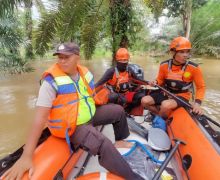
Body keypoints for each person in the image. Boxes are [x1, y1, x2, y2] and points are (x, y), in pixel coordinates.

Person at [1, 42, 144, 180]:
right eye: (60, 57)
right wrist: (26, 156)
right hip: (73, 127)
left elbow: (91, 96)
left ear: (77, 57)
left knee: (118, 111)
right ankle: (133, 177)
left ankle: (119, 141)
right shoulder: (51, 82)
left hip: (90, 115)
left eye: (66, 57)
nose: (62, 61)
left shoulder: (85, 74)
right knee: (103, 143)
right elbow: (39, 119)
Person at [141, 36, 205, 118]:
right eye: (181, 52)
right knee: (144, 101)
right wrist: (155, 82)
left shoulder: (194, 68)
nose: (185, 55)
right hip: (166, 93)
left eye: (187, 52)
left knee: (165, 105)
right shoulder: (164, 65)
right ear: (172, 52)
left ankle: (159, 120)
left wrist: (197, 104)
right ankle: (160, 116)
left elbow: (201, 87)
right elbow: (160, 79)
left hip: (182, 96)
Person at [95, 48, 146, 112]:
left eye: (125, 61)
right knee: (113, 96)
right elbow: (99, 83)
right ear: (117, 61)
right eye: (121, 61)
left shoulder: (129, 70)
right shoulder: (111, 71)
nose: (123, 63)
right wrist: (88, 92)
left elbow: (138, 80)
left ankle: (127, 109)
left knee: (141, 96)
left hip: (126, 94)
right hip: (115, 95)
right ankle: (114, 112)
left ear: (128, 60)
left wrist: (149, 83)